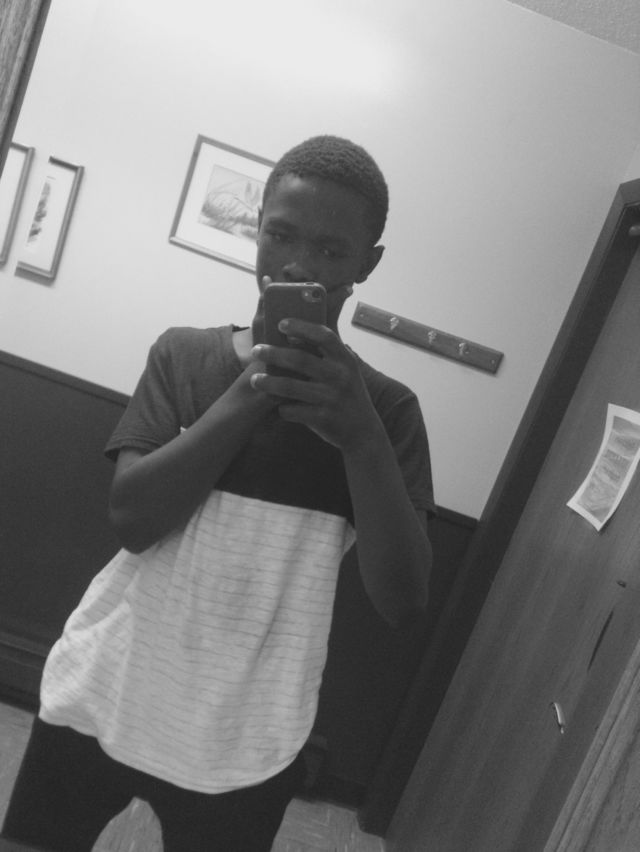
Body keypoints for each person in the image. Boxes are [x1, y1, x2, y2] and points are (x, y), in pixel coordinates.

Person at [2, 135, 435, 851]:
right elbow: (133, 520)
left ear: (368, 263)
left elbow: (403, 599)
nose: (298, 265)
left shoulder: (386, 412)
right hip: (109, 682)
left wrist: (361, 438)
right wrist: (252, 391)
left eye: (331, 250)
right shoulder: (183, 355)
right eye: (280, 235)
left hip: (251, 733)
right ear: (256, 227)